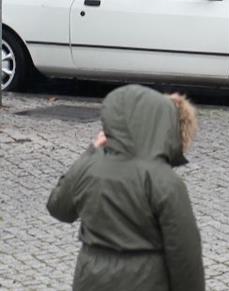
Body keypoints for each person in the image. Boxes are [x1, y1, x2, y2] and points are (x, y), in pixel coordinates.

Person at [47, 85, 204, 291]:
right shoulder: (163, 180)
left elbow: (59, 208)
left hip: (91, 279)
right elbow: (184, 254)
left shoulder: (90, 167)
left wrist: (90, 152)